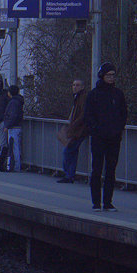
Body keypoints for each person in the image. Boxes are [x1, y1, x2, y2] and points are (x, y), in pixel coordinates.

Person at [83, 62, 128, 211]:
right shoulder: (94, 95)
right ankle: (96, 202)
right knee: (97, 169)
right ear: (102, 76)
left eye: (113, 75)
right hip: (98, 137)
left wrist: (119, 128)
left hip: (114, 137)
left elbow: (123, 113)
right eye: (108, 75)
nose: (111, 78)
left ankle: (108, 202)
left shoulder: (118, 94)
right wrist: (95, 129)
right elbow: (88, 115)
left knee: (111, 170)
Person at [55, 79, 88, 183]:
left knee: (68, 151)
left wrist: (74, 124)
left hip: (79, 130)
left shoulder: (83, 98)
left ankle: (68, 174)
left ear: (82, 87)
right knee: (72, 152)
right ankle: (70, 175)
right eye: (73, 85)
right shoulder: (78, 97)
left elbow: (83, 114)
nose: (74, 87)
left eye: (77, 85)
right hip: (78, 129)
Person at [4, 84, 25, 172]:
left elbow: (12, 115)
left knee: (14, 147)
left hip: (13, 127)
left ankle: (16, 166)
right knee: (17, 147)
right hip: (18, 126)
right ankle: (17, 165)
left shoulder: (13, 102)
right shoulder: (19, 101)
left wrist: (7, 125)